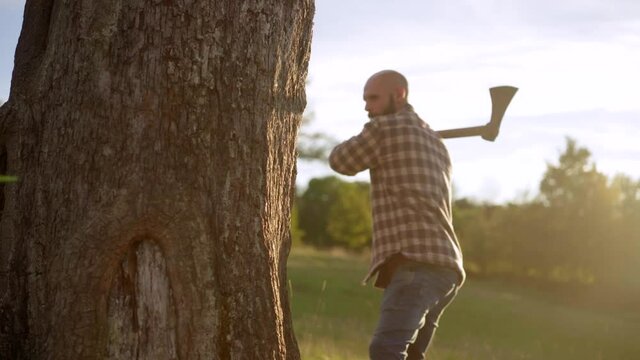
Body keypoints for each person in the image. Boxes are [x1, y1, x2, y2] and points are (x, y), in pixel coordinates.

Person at [328, 70, 465, 360]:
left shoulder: (384, 129)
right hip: (446, 268)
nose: (367, 107)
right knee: (411, 354)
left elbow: (340, 161)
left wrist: (372, 131)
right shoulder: (435, 141)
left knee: (386, 350)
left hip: (418, 266)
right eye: (365, 100)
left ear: (399, 94)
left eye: (373, 99)